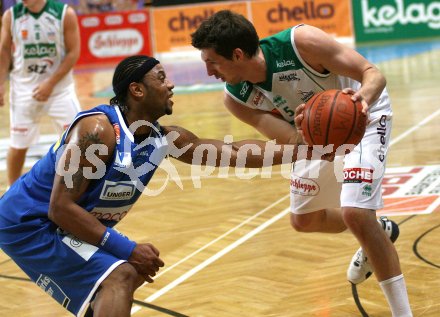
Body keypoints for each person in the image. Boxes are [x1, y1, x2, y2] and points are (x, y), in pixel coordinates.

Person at [0, 55, 324, 317]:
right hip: (29, 223)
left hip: (60, 222)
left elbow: (234, 152)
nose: (171, 84)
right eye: (161, 77)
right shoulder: (97, 131)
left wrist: (305, 149)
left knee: (125, 275)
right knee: (122, 273)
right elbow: (60, 207)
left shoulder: (163, 138)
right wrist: (128, 248)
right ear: (137, 90)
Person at [191, 10, 412, 317]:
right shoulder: (235, 97)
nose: (209, 72)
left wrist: (359, 101)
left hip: (366, 115)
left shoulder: (302, 43)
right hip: (318, 134)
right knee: (305, 220)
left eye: (212, 62)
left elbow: (373, 74)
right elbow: (291, 141)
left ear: (237, 54)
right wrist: (303, 133)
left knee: (355, 211)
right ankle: (379, 231)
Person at [0, 0, 81, 186]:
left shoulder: (64, 14)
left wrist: (50, 83)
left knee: (78, 142)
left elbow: (74, 52)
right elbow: (4, 50)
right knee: (18, 145)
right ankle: (13, 191)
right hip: (23, 90)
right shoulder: (11, 16)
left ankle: (76, 189)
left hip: (60, 90)